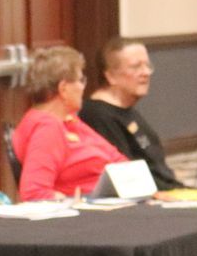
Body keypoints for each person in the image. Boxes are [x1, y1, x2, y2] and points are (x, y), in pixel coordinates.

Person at [11, 46, 125, 202]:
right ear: (63, 88)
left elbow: (117, 158)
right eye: (80, 80)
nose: (83, 86)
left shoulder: (69, 120)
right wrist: (67, 201)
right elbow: (34, 193)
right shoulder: (47, 128)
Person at [80, 38, 184, 190]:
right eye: (136, 67)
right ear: (111, 76)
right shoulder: (98, 116)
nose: (146, 73)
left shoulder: (126, 109)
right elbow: (127, 176)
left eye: (147, 65)